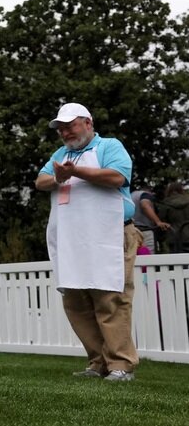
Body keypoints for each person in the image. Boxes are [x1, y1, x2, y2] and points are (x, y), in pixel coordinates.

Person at [35, 102, 139, 382]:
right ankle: (98, 361)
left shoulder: (109, 147)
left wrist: (75, 172)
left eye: (71, 126)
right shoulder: (61, 154)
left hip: (111, 233)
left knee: (111, 297)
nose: (66, 132)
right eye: (61, 128)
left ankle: (121, 364)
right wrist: (58, 176)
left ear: (88, 123)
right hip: (74, 238)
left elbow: (118, 176)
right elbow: (40, 181)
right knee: (76, 300)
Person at [131, 186, 169, 254]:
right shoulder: (145, 194)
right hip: (144, 230)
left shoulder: (131, 195)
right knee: (149, 255)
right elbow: (145, 205)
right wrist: (158, 222)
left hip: (130, 230)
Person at [156, 182, 189, 253]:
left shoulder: (165, 203)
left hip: (173, 235)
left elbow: (161, 220)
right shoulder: (187, 200)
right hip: (187, 234)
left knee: (176, 260)